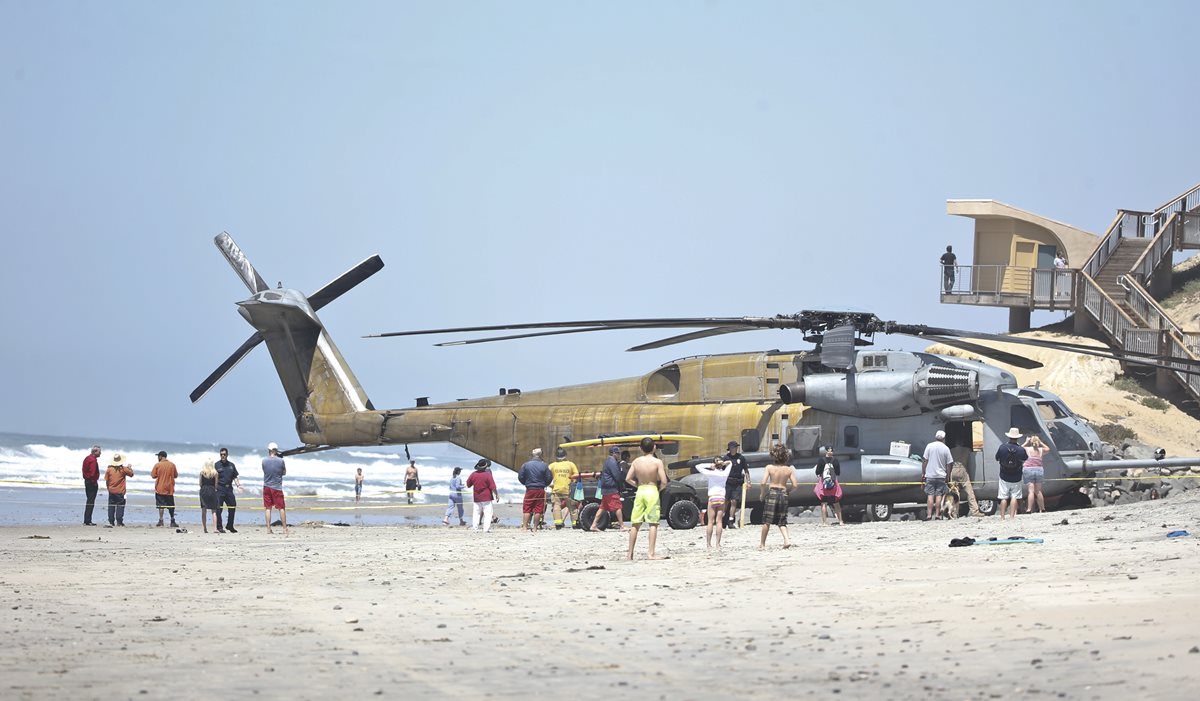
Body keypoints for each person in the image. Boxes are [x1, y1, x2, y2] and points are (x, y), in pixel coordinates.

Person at [625, 437, 668, 560]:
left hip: (640, 490)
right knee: (653, 523)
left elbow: (628, 478)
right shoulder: (657, 462)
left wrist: (637, 485)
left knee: (635, 523)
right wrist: (659, 489)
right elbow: (664, 481)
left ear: (640, 448)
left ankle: (630, 554)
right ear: (654, 447)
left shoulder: (636, 461)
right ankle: (651, 553)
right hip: (652, 489)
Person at [759, 444, 798, 549]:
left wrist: (762, 494)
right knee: (782, 520)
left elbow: (763, 483)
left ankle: (762, 544)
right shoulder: (788, 469)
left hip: (772, 493)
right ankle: (787, 540)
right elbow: (795, 485)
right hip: (783, 493)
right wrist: (788, 492)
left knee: (767, 521)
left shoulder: (769, 468)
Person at [694, 456, 730, 548]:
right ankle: (718, 543)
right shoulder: (724, 473)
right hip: (721, 497)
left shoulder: (711, 473)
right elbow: (730, 463)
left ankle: (709, 544)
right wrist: (725, 463)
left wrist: (710, 465)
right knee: (719, 521)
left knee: (710, 521)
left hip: (712, 497)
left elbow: (698, 466)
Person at [995, 428, 1028, 520]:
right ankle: (1012, 516)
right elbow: (1025, 458)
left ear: (1009, 436)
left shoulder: (1002, 447)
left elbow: (997, 458)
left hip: (1004, 475)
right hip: (1016, 476)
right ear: (1017, 438)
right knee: (1015, 496)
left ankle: (1002, 517)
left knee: (1003, 497)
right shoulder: (1021, 449)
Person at [920, 430, 953, 521]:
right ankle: (937, 515)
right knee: (938, 495)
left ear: (935, 437)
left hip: (930, 475)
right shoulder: (946, 448)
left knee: (930, 495)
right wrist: (948, 475)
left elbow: (925, 460)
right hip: (941, 476)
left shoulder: (929, 446)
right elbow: (949, 463)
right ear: (943, 438)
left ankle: (929, 515)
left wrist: (923, 472)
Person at [592, 446, 627, 532]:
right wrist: (622, 476)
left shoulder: (607, 461)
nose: (619, 455)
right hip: (611, 488)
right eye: (618, 453)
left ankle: (593, 525)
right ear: (614, 453)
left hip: (606, 489)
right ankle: (622, 526)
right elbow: (617, 476)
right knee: (618, 506)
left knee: (602, 507)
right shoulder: (612, 462)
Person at [518, 448, 553, 532]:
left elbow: (520, 477)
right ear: (541, 455)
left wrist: (526, 483)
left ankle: (525, 527)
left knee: (527, 508)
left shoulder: (526, 465)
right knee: (538, 509)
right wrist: (544, 484)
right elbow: (549, 478)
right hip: (540, 489)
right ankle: (535, 528)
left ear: (532, 455)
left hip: (530, 489)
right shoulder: (544, 465)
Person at [547, 447, 580, 530]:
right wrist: (573, 482)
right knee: (572, 507)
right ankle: (575, 523)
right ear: (565, 455)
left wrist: (549, 484)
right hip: (568, 489)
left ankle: (558, 523)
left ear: (556, 456)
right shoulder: (571, 464)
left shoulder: (552, 465)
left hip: (556, 489)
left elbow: (546, 475)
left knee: (556, 506)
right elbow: (576, 475)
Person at [812, 446, 844, 526]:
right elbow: (838, 472)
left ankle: (824, 522)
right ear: (832, 452)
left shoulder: (821, 460)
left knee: (824, 503)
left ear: (825, 451)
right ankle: (840, 521)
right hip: (833, 484)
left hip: (824, 484)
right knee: (836, 503)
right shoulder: (835, 461)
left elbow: (817, 472)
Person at [262, 442, 288, 535]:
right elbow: (284, 472)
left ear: (269, 450)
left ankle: (268, 529)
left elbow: (265, 471)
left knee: (268, 508)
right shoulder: (281, 461)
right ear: (276, 450)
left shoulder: (264, 460)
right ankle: (284, 529)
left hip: (266, 486)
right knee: (281, 508)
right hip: (277, 487)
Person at [723, 440, 750, 529]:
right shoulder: (726, 458)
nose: (734, 449)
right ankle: (722, 518)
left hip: (737, 482)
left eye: (735, 447)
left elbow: (746, 470)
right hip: (728, 482)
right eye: (733, 447)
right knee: (726, 501)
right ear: (730, 449)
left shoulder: (741, 458)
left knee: (734, 501)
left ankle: (731, 520)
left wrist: (748, 481)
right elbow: (721, 469)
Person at [466, 459, 499, 532]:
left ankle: (475, 528)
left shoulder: (473, 474)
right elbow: (493, 487)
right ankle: (486, 529)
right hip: (486, 497)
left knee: (476, 513)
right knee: (488, 513)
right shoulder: (487, 475)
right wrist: (497, 495)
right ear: (485, 467)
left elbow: (468, 484)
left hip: (477, 497)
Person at [214, 447, 242, 532]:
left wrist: (238, 485)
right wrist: (213, 488)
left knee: (232, 506)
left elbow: (235, 476)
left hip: (229, 489)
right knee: (219, 508)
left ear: (227, 455)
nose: (223, 456)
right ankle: (219, 527)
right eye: (221, 454)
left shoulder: (231, 465)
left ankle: (230, 525)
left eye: (224, 454)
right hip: (220, 489)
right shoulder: (216, 465)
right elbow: (213, 477)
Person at [104, 453, 134, 527]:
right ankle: (119, 521)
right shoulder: (123, 469)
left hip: (111, 490)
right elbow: (131, 474)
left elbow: (107, 480)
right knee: (120, 505)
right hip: (120, 491)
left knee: (111, 506)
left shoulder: (109, 469)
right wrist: (129, 468)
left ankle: (111, 521)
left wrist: (108, 488)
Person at [1022, 434, 1050, 514]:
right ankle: (1042, 508)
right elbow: (1048, 449)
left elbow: (1019, 448)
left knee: (1031, 491)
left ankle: (1029, 509)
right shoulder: (1041, 450)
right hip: (1039, 470)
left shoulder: (1027, 449)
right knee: (1038, 491)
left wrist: (1026, 442)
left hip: (1028, 470)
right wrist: (1041, 442)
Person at [151, 450, 179, 528]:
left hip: (160, 488)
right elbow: (176, 475)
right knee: (171, 506)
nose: (157, 458)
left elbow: (153, 475)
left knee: (161, 505)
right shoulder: (172, 465)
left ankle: (161, 520)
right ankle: (172, 520)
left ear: (160, 456)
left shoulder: (158, 465)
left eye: (158, 456)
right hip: (169, 488)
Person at [199, 458, 222, 534]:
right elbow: (216, 485)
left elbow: (200, 484)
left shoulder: (202, 472)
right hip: (212, 490)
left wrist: (204, 488)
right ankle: (215, 528)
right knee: (214, 510)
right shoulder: (215, 473)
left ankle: (205, 529)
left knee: (203, 510)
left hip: (203, 490)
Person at [82, 445, 101, 526]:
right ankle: (87, 520)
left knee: (89, 501)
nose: (101, 453)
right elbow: (92, 473)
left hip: (87, 481)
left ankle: (87, 519)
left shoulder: (87, 458)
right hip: (91, 482)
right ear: (95, 452)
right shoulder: (92, 460)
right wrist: (94, 482)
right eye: (99, 452)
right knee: (90, 501)